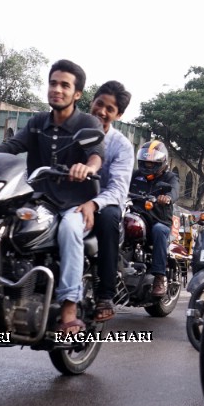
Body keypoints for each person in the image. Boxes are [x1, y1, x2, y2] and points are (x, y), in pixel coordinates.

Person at [0, 59, 105, 334]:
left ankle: (69, 307)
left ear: (77, 93)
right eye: (53, 83)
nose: (57, 89)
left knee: (70, 230)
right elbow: (13, 144)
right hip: (40, 199)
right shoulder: (36, 122)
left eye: (64, 85)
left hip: (74, 204)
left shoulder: (87, 122)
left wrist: (88, 168)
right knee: (4, 223)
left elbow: (96, 154)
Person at [88, 81, 136, 321]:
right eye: (99, 104)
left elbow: (117, 189)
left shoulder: (123, 146)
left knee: (108, 218)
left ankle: (106, 294)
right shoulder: (70, 130)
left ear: (118, 115)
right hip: (68, 199)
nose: (102, 112)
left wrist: (93, 204)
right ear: (91, 101)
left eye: (110, 109)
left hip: (103, 204)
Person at [127, 139, 179, 298]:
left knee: (158, 231)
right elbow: (122, 186)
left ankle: (159, 277)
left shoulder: (170, 177)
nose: (148, 163)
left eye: (152, 160)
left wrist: (167, 197)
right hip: (137, 215)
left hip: (159, 219)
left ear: (162, 159)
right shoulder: (135, 175)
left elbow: (175, 192)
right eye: (146, 159)